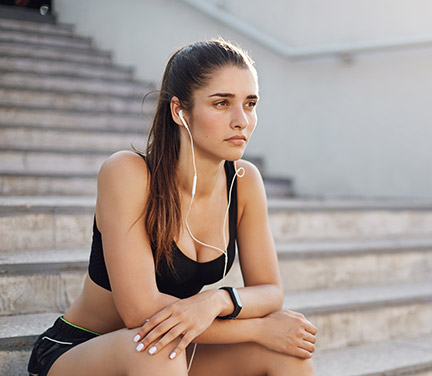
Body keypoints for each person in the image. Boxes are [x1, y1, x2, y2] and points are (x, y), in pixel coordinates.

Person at [27, 38, 317, 376]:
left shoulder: (245, 180)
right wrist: (256, 329)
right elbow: (140, 310)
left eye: (250, 104)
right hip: (83, 349)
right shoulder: (128, 173)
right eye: (222, 103)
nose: (242, 120)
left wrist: (217, 300)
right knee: (156, 349)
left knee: (288, 354)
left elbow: (270, 291)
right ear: (180, 111)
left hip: (171, 346)